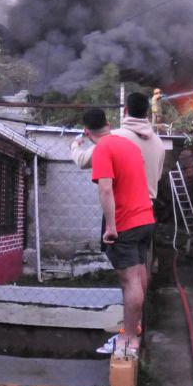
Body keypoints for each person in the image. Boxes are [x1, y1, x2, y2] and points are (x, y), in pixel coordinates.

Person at [80, 106, 155, 357]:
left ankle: (129, 340)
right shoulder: (129, 145)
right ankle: (137, 327)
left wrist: (111, 227)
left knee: (129, 281)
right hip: (145, 219)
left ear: (86, 131)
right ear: (109, 125)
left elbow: (105, 190)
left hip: (127, 223)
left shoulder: (102, 148)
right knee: (140, 272)